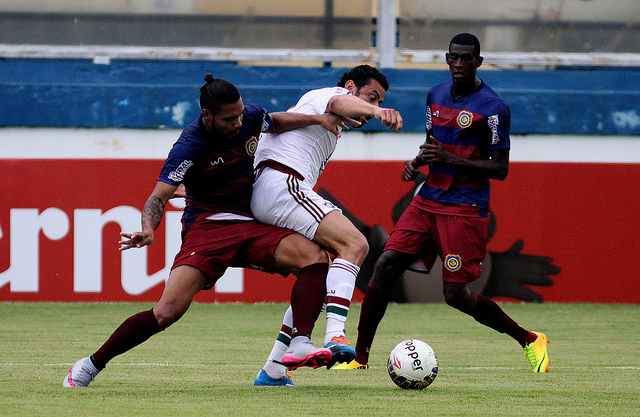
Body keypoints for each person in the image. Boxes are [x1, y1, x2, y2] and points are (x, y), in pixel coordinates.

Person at [63, 74, 355, 388]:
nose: (238, 122)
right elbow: (158, 195)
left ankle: (298, 345)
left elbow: (275, 121)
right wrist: (147, 229)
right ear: (207, 116)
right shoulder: (190, 144)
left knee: (314, 257)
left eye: (241, 114)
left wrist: (317, 119)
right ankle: (90, 365)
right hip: (208, 228)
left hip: (249, 222)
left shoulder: (249, 118)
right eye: (229, 119)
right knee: (166, 312)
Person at [335, 33, 550, 373]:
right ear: (447, 58)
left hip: (464, 208)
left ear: (478, 62)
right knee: (385, 264)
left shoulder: (493, 109)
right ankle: (359, 358)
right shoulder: (435, 95)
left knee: (456, 295)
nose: (460, 64)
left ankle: (529, 339)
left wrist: (449, 157)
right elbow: (431, 143)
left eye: (467, 58)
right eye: (455, 57)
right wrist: (418, 162)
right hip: (427, 199)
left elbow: (500, 168)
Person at [250, 65, 403, 383]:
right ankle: (336, 335)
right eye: (371, 97)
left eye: (377, 102)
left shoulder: (323, 123)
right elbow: (340, 104)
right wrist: (378, 110)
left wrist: (369, 106)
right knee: (356, 243)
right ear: (351, 86)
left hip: (268, 191)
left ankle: (274, 369)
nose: (371, 108)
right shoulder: (329, 95)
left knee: (318, 276)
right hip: (282, 183)